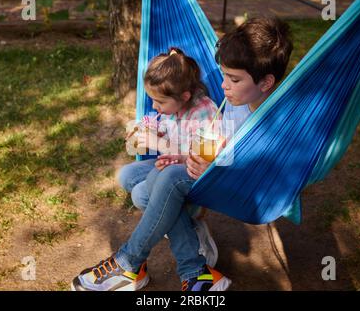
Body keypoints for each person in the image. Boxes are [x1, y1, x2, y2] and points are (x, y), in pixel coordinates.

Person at [72, 17, 293, 292]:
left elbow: (257, 169)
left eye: (234, 79)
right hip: (204, 167)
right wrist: (180, 156)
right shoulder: (237, 100)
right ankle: (197, 269)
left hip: (232, 184)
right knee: (133, 180)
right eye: (223, 75)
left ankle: (130, 263)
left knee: (161, 184)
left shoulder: (275, 118)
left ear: (266, 82)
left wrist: (208, 168)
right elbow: (214, 145)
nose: (224, 86)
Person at [72, 47, 221, 291]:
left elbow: (204, 158)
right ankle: (188, 232)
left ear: (184, 96)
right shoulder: (170, 108)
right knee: (127, 176)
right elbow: (159, 123)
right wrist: (144, 130)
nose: (154, 105)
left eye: (160, 101)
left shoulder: (205, 112)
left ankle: (133, 264)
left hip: (194, 177)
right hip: (169, 166)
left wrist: (160, 144)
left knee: (141, 195)